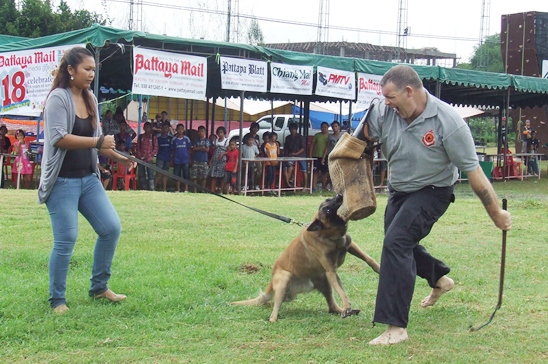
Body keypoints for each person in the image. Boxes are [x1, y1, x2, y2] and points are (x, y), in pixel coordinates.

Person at [360, 65, 511, 345]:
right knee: (399, 242)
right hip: (400, 188)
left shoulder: (448, 122)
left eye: (391, 97)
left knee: (396, 242)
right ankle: (440, 280)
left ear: (409, 91)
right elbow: (360, 143)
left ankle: (396, 328)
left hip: (433, 191)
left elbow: (475, 173)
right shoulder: (383, 110)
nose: (387, 102)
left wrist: (496, 213)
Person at [38, 46, 133, 315]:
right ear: (70, 70)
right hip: (62, 181)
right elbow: (59, 138)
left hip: (88, 180)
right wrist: (97, 141)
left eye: (94, 69)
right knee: (66, 239)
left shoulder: (90, 98)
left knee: (111, 228)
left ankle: (99, 287)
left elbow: (99, 145)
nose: (92, 74)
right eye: (87, 69)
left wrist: (119, 157)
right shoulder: (58, 98)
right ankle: (58, 300)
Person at [283, 122, 308, 188]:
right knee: (289, 166)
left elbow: (303, 148)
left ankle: (305, 186)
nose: (292, 130)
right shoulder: (288, 138)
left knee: (304, 170)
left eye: (294, 129)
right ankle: (287, 183)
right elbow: (286, 148)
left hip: (301, 155)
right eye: (291, 129)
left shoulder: (301, 137)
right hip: (291, 156)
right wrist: (287, 155)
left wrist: (296, 153)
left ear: (296, 129)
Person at [135, 121, 158, 190]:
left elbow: (156, 148)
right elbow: (138, 147)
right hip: (141, 158)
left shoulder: (153, 137)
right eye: (146, 127)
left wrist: (150, 155)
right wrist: (140, 155)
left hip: (149, 159)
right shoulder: (141, 137)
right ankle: (143, 187)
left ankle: (151, 188)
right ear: (144, 128)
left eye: (148, 127)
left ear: (151, 128)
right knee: (142, 174)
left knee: (150, 173)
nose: (147, 129)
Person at [323, 120, 343, 190]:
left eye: (336, 126)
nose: (334, 128)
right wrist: (324, 157)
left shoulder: (342, 135)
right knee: (331, 172)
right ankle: (328, 185)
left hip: (339, 155)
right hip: (331, 155)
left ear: (339, 127)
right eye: (333, 127)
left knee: (337, 172)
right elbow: (327, 147)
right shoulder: (330, 137)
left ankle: (332, 186)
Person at [309, 121, 329, 191]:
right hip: (316, 155)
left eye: (325, 127)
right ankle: (313, 187)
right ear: (320, 128)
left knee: (324, 172)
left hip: (325, 156)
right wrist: (310, 155)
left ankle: (324, 187)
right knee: (315, 171)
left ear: (327, 128)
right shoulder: (317, 135)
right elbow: (312, 145)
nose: (324, 129)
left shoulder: (329, 136)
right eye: (323, 127)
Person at [172, 124, 191, 193]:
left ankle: (186, 189)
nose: (180, 130)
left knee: (186, 174)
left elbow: (189, 150)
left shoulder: (186, 139)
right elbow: (173, 150)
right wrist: (172, 159)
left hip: (185, 159)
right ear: (176, 130)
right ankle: (178, 189)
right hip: (177, 160)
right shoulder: (174, 139)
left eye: (181, 129)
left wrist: (190, 159)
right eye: (179, 129)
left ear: (184, 130)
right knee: (177, 174)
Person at [154, 122, 173, 191]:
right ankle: (154, 188)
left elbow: (172, 149)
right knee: (158, 172)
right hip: (160, 157)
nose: (165, 129)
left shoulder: (171, 138)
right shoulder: (158, 138)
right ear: (161, 128)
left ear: (168, 129)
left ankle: (164, 189)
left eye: (166, 128)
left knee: (165, 173)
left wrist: (172, 157)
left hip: (167, 157)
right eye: (164, 128)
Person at [191, 125, 211, 192]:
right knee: (195, 176)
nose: (201, 133)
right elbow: (194, 148)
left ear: (205, 132)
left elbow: (207, 149)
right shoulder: (196, 140)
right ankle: (195, 189)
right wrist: (201, 148)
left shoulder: (207, 140)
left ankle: (203, 189)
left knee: (204, 176)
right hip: (196, 159)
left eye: (202, 131)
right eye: (199, 131)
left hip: (204, 160)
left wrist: (199, 148)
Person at [209, 126, 229, 193]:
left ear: (224, 133)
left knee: (222, 177)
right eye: (219, 133)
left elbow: (229, 151)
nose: (220, 134)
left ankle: (221, 191)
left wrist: (223, 153)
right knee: (213, 176)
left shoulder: (227, 141)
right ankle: (212, 190)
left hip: (223, 161)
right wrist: (211, 161)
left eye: (221, 132)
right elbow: (214, 152)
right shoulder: (215, 141)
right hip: (215, 161)